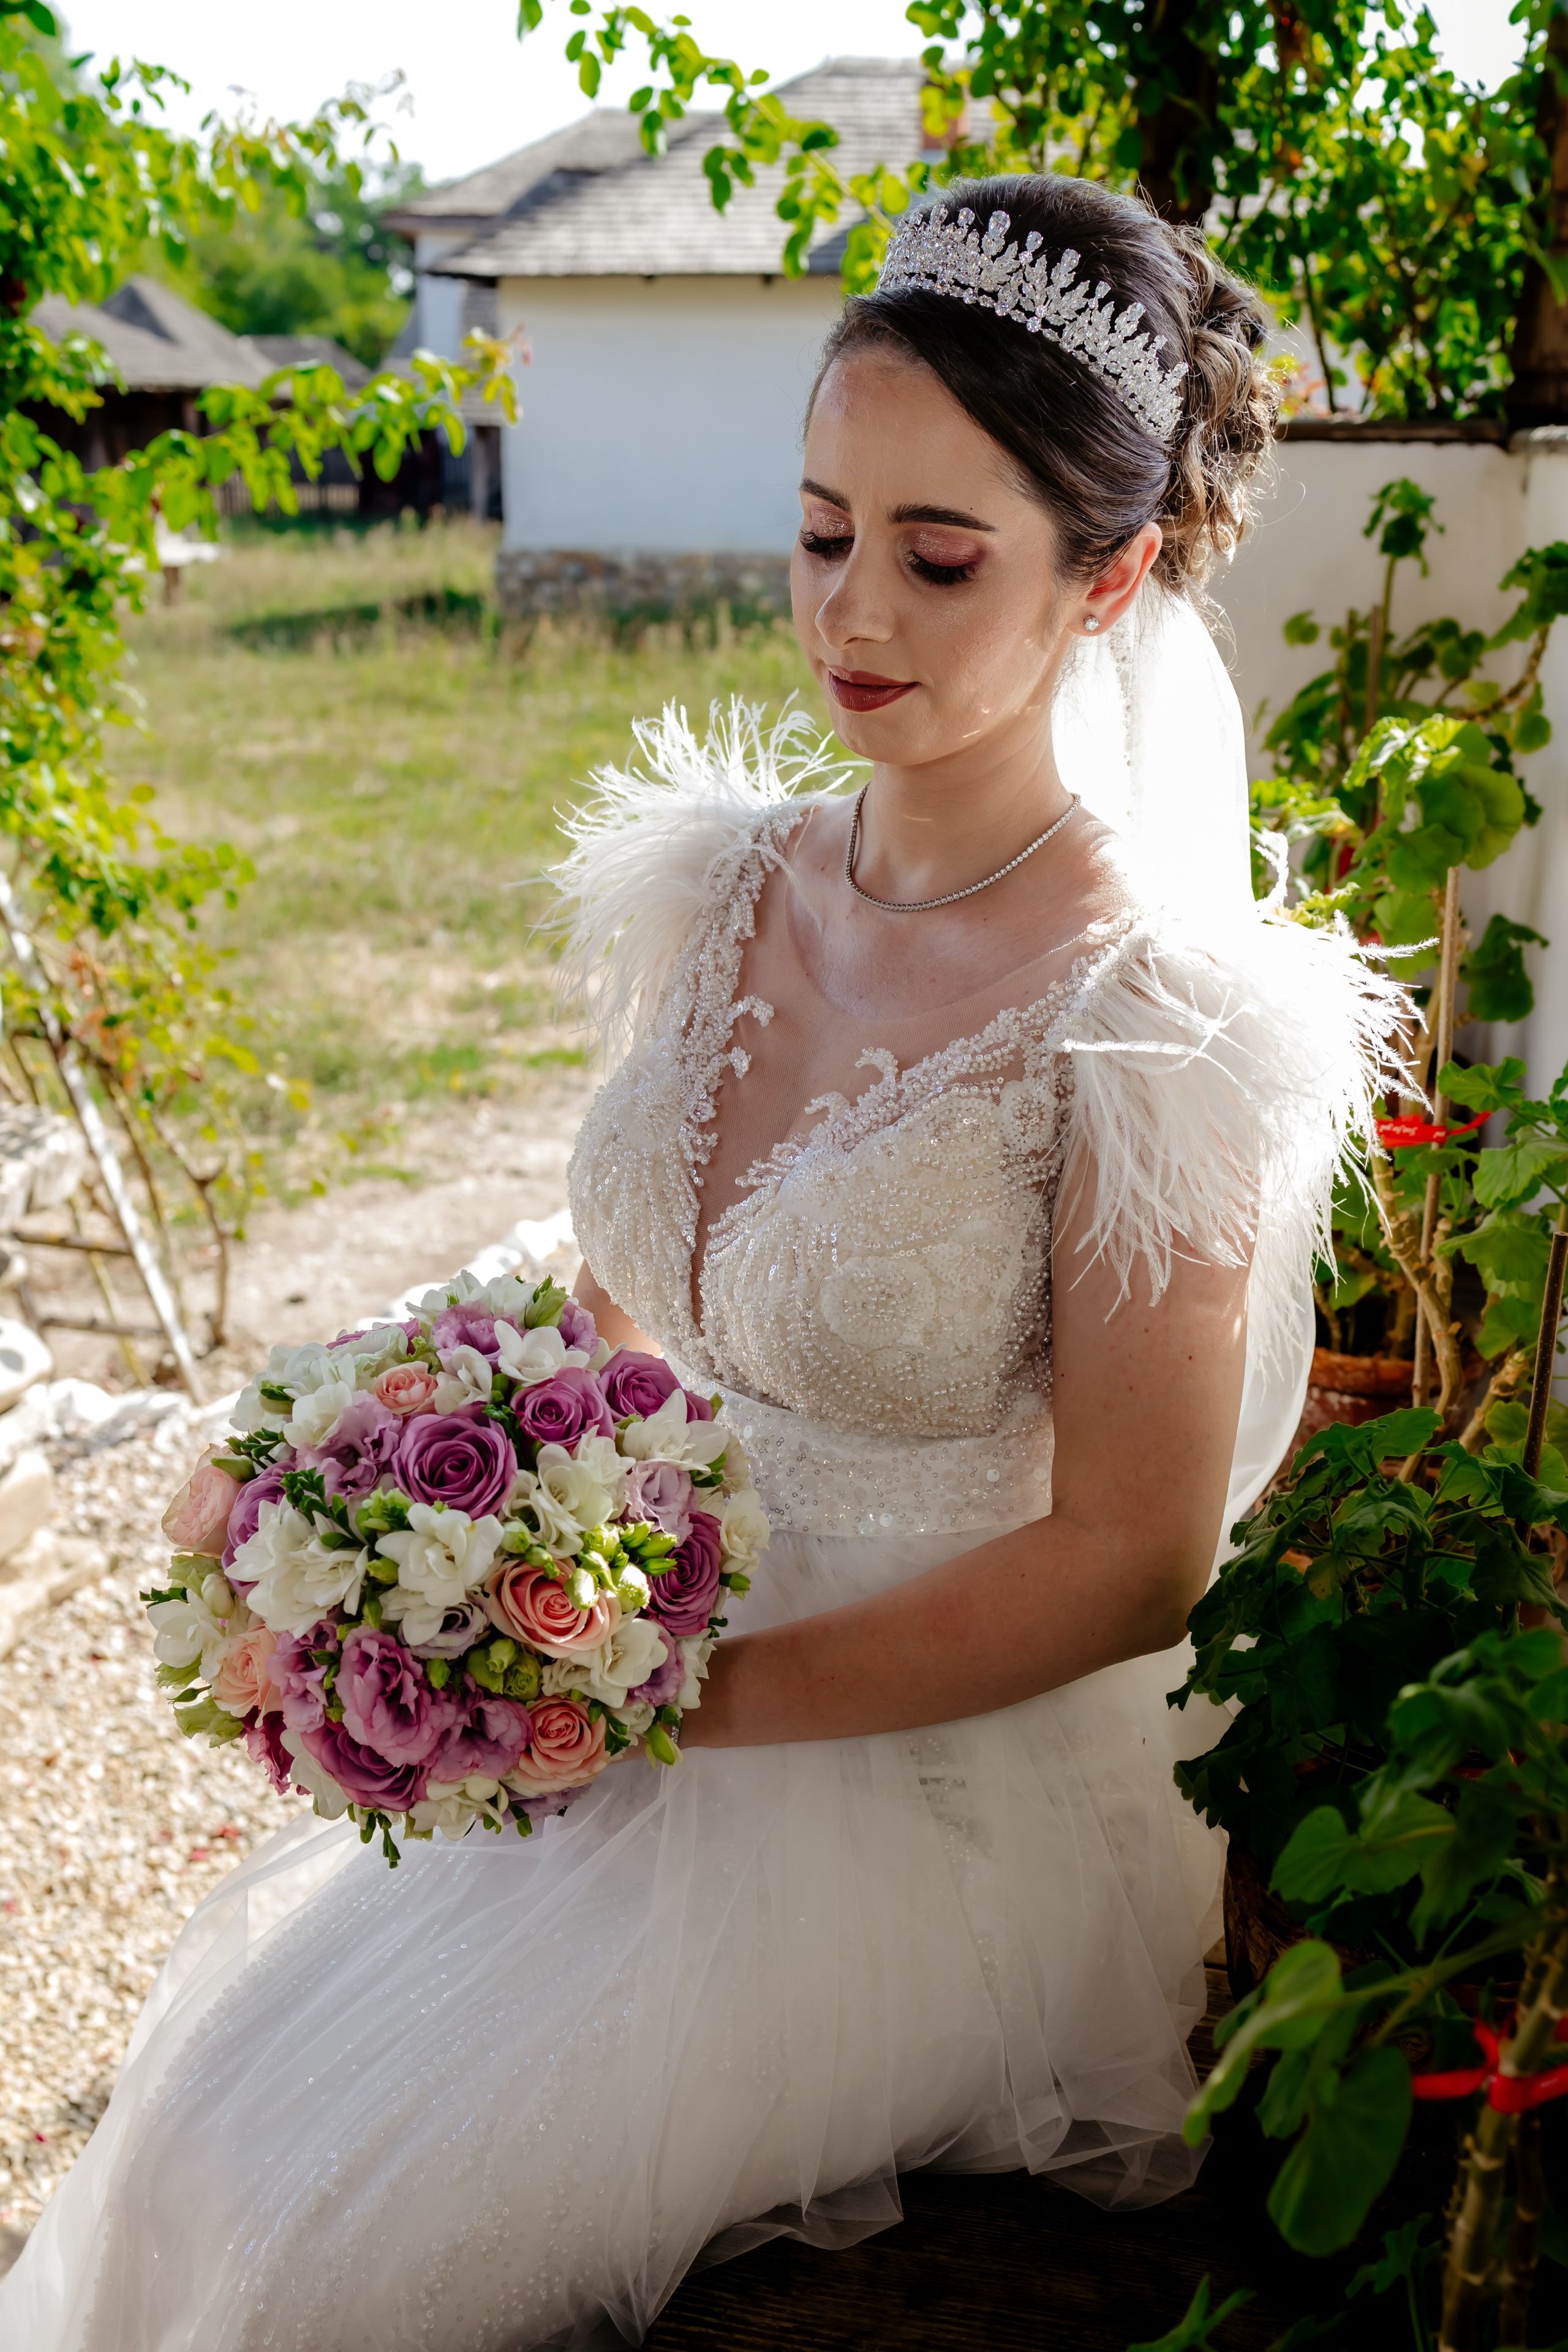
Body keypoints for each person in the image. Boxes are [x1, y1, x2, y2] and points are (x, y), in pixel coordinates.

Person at [0, 175, 1404, 2352]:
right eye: (822, 529)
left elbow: (1136, 1557)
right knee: (210, 2136)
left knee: (353, 2243)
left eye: (941, 557)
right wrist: (422, 1506)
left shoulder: (1159, 1020)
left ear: (1110, 576)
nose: (854, 608)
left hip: (919, 1809)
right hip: (623, 1702)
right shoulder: (723, 882)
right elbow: (640, 1315)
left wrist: (661, 1705)